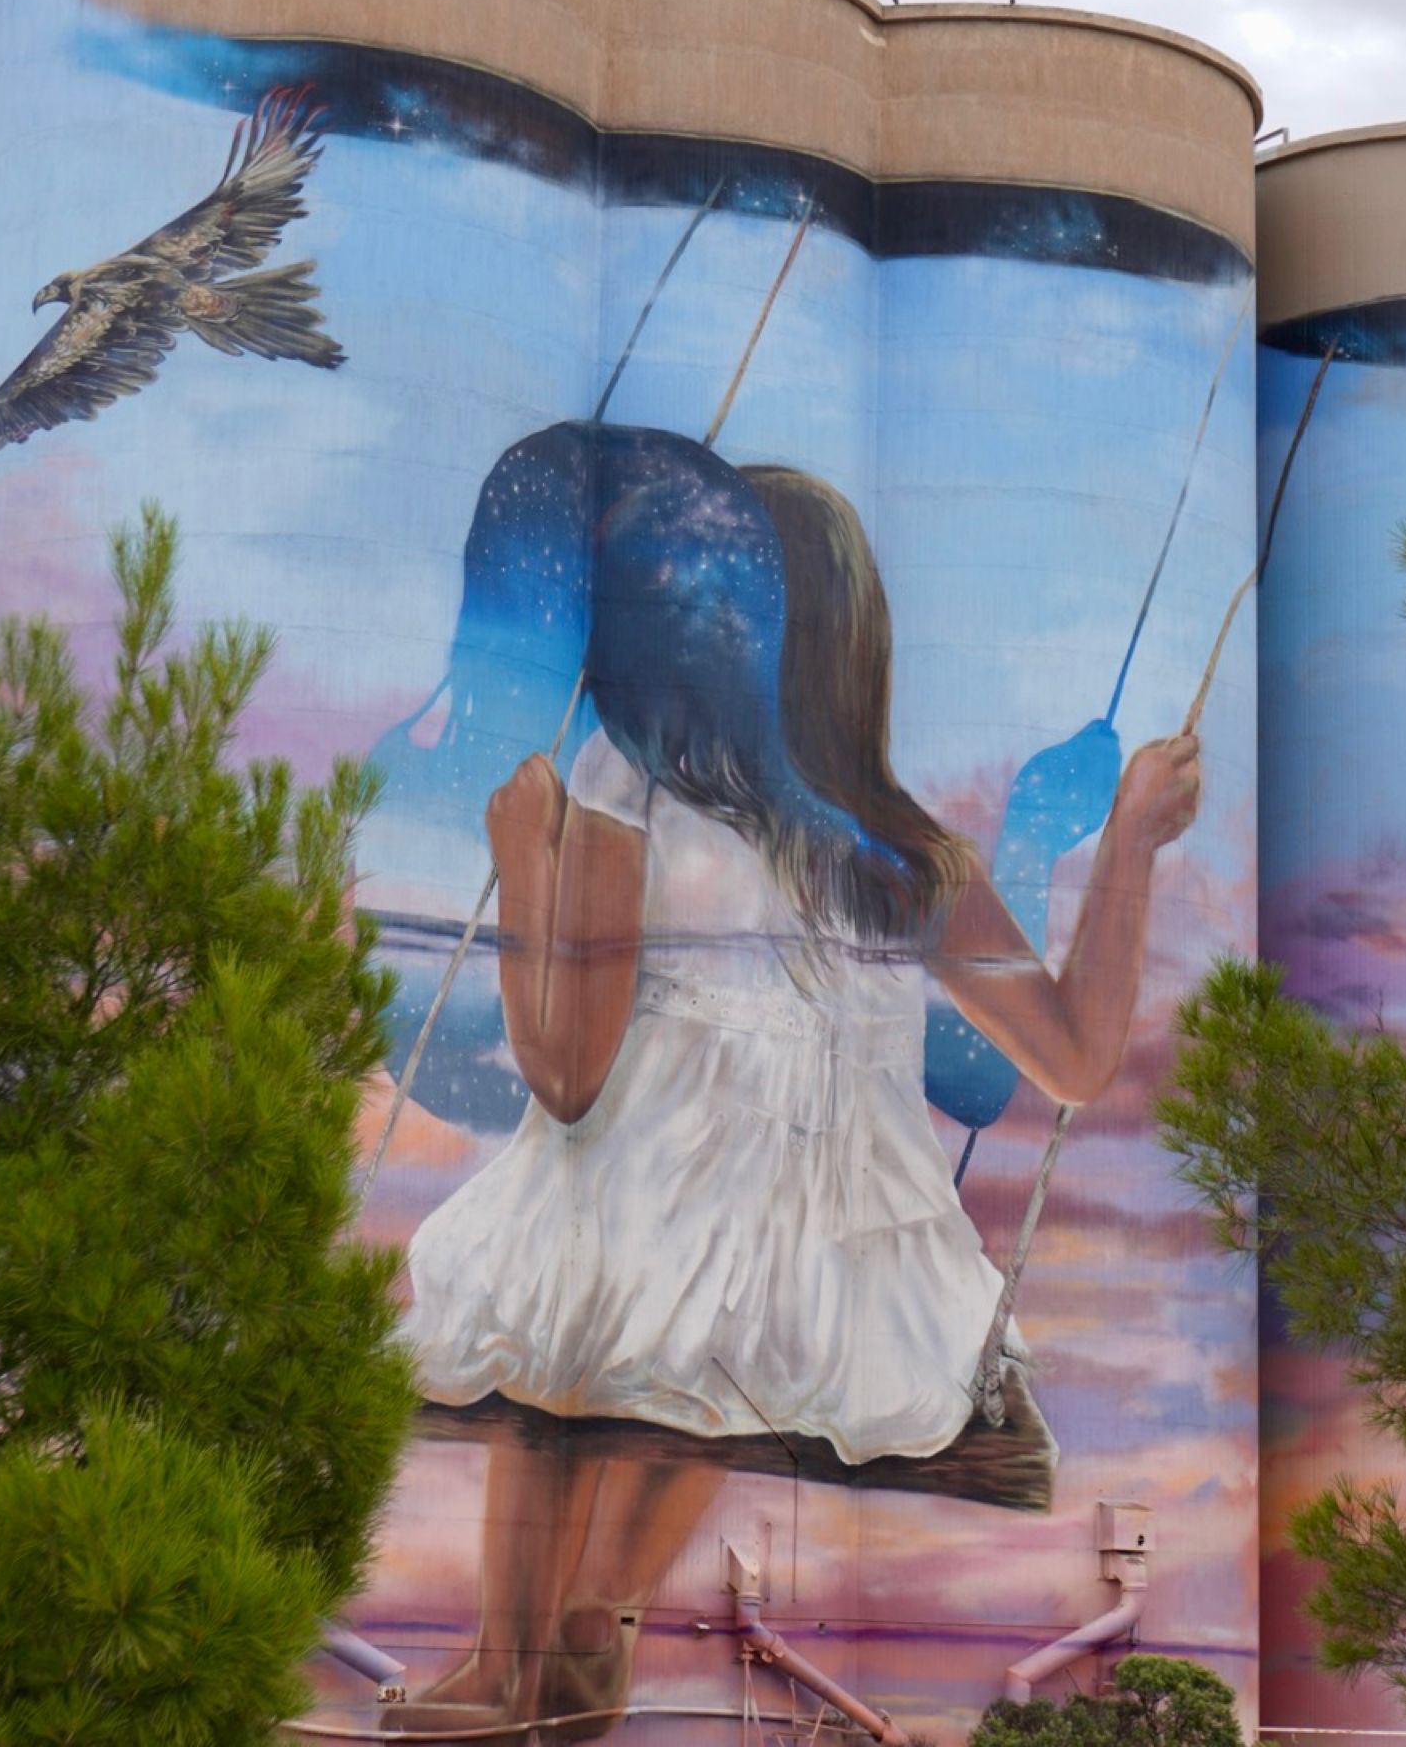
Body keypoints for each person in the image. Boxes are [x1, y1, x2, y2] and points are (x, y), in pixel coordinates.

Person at [392, 432, 1198, 1735]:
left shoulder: (620, 786)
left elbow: (567, 1072)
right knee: (687, 1327)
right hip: (826, 1255)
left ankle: (519, 1652)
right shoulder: (903, 851)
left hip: (675, 1216)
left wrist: (525, 865)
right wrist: (1133, 845)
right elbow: (1075, 1053)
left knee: (566, 1304)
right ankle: (587, 1618)